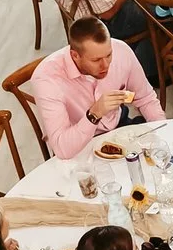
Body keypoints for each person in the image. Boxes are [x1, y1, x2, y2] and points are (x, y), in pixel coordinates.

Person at [30, 16, 163, 159]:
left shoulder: (121, 50)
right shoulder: (46, 79)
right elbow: (63, 149)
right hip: (80, 147)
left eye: (109, 55)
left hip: (120, 128)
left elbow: (146, 99)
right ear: (75, 55)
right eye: (96, 60)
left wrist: (162, 134)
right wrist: (94, 113)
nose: (106, 65)